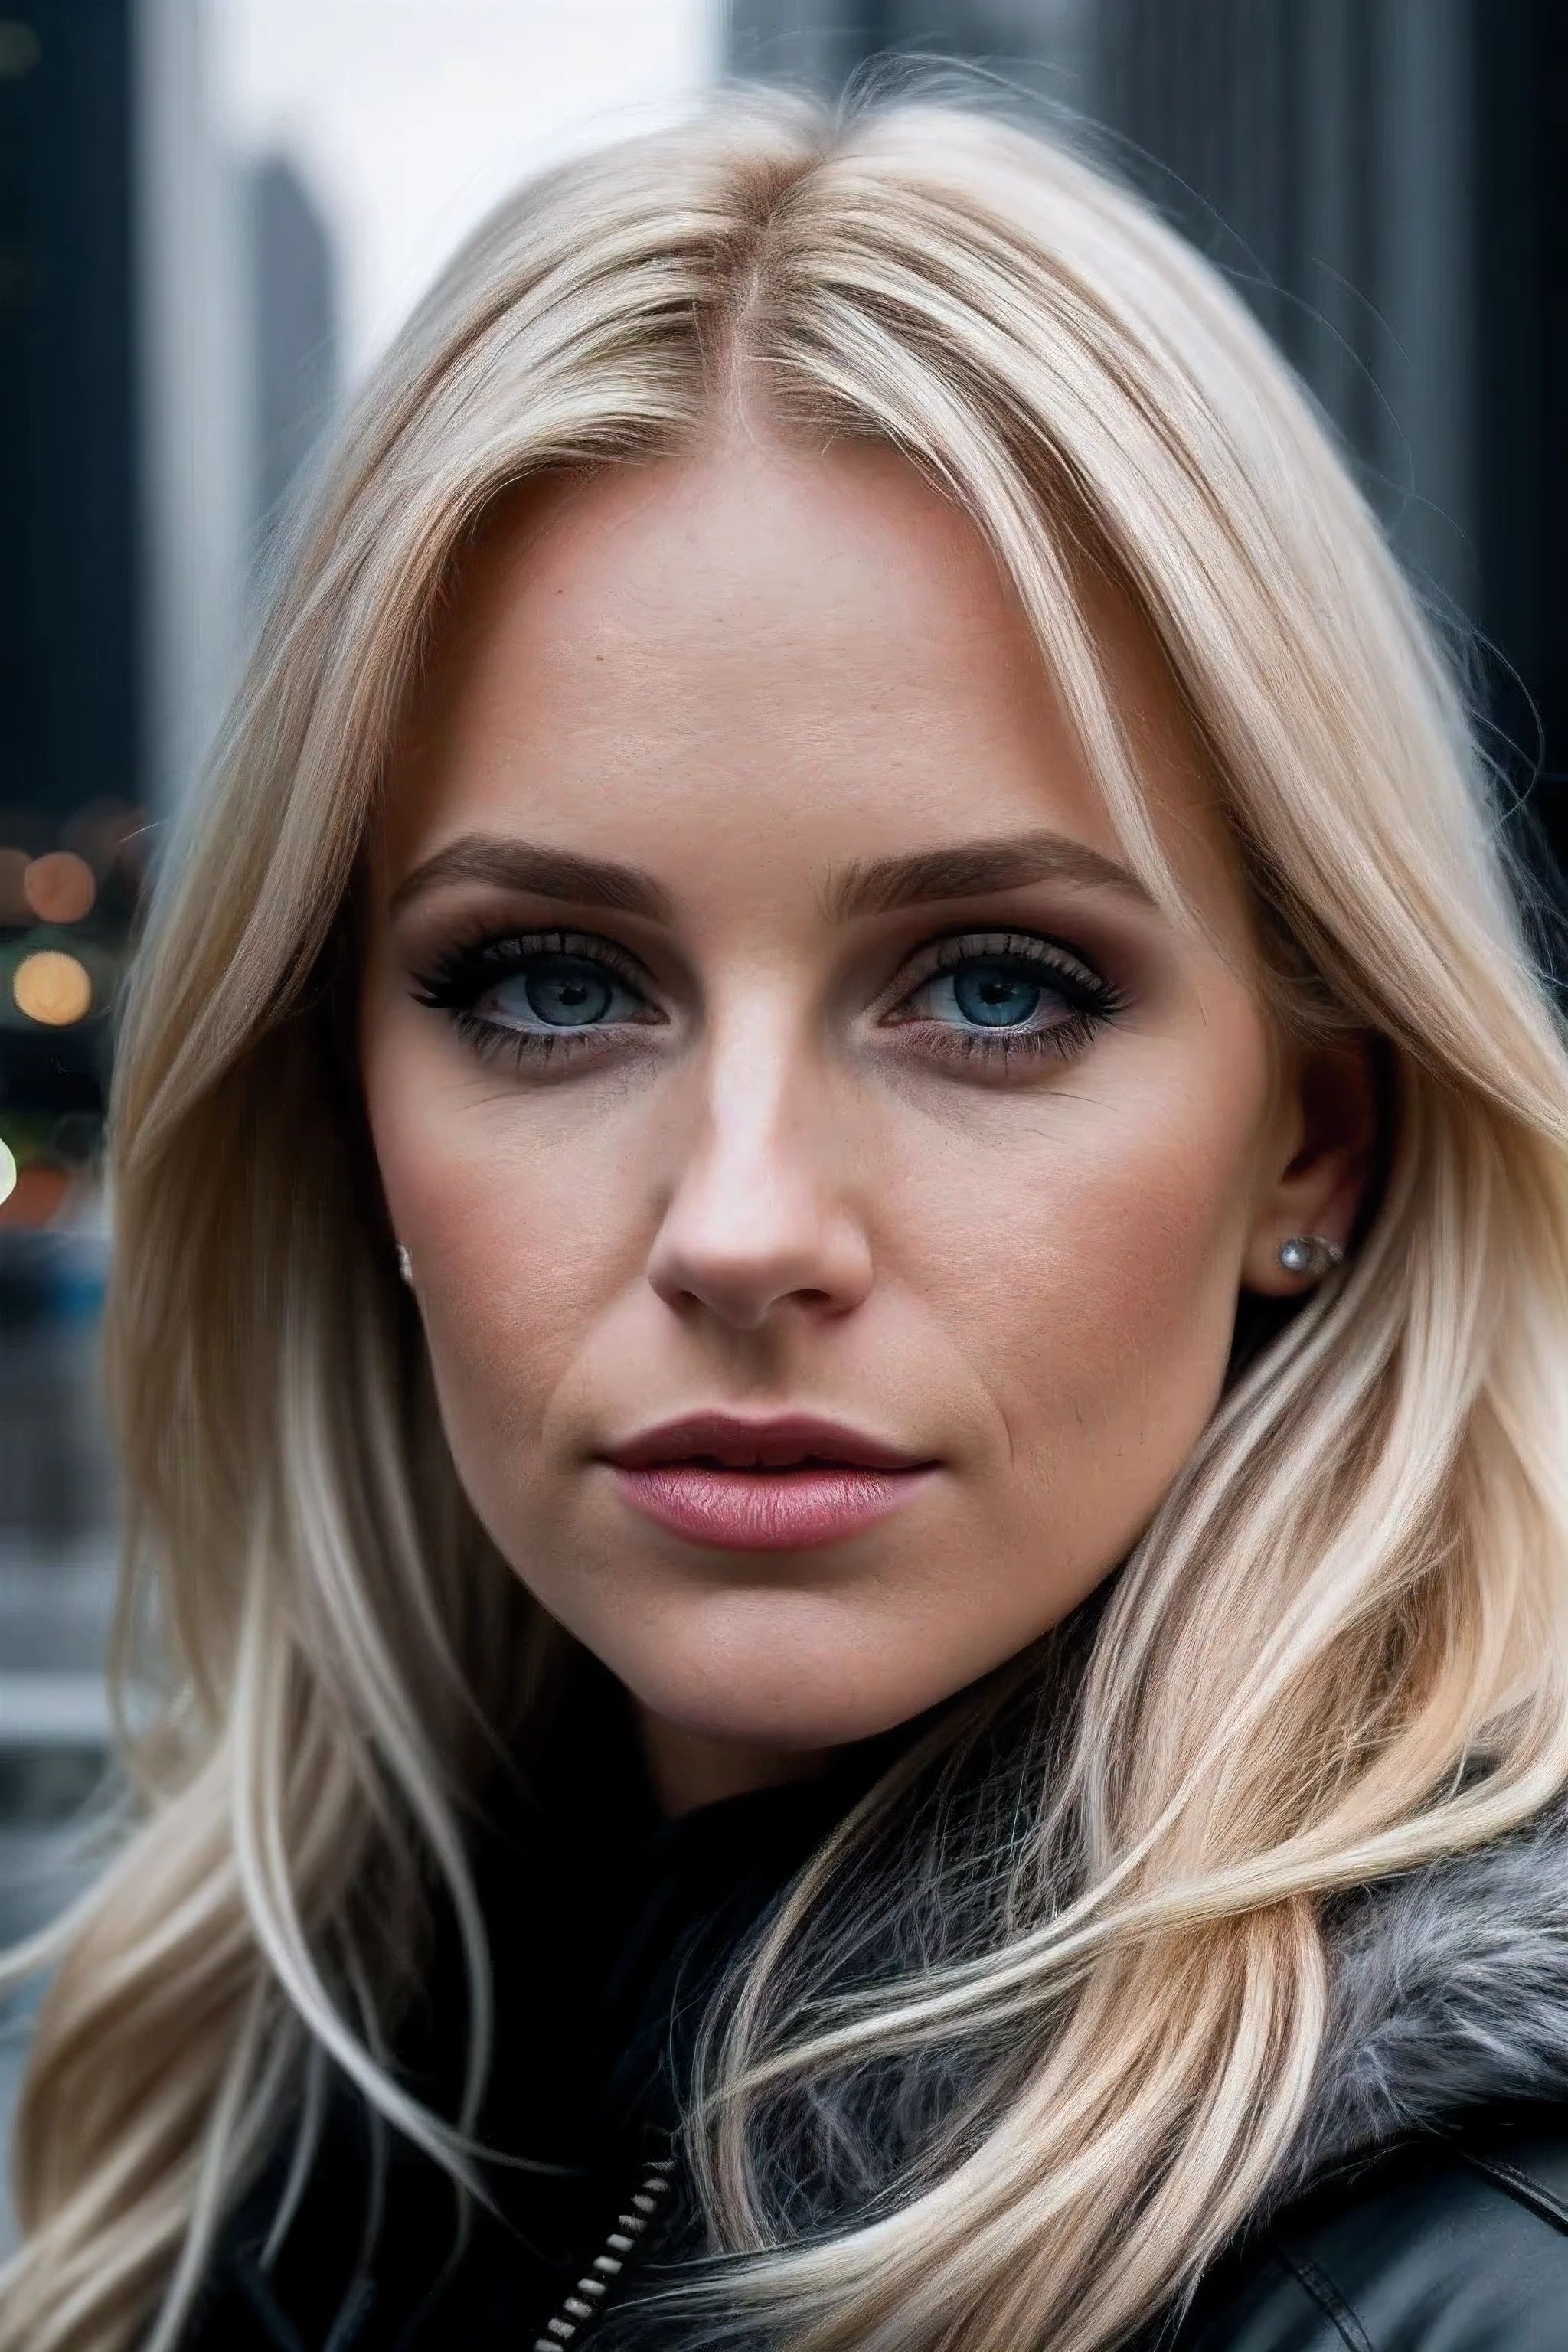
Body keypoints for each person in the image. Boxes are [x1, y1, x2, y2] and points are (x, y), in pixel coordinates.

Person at [5, 89, 1568, 2352]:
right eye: (551, 986)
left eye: (996, 990)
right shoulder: (286, 2087)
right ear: (342, 1102)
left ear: (1312, 1145)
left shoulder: (1450, 2285)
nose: (742, 1229)